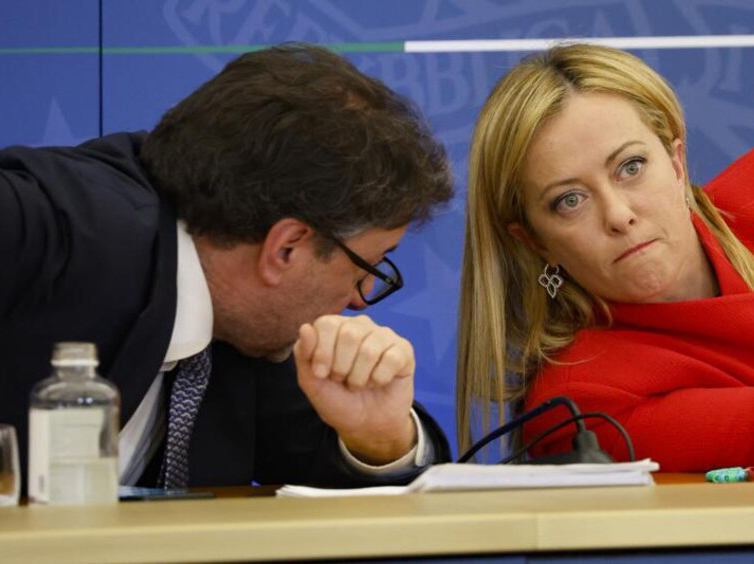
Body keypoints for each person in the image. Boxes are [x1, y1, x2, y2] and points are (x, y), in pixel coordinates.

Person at [0, 43, 454, 491]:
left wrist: (379, 437)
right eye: (366, 266)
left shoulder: (252, 329)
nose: (361, 298)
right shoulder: (54, 225)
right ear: (286, 249)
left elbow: (336, 468)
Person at [458, 43, 754, 472]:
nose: (618, 215)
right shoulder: (581, 402)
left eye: (631, 167)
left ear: (676, 163)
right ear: (535, 241)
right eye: (570, 200)